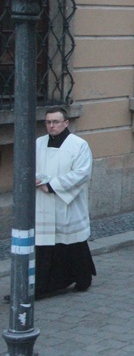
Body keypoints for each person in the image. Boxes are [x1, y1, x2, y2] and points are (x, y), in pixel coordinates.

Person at [33, 107, 96, 296]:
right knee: (45, 247)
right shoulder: (38, 143)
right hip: (44, 203)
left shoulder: (78, 145)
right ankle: (42, 285)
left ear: (66, 123)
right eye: (48, 122)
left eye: (56, 122)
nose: (51, 126)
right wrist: (37, 181)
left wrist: (52, 186)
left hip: (66, 203)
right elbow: (29, 165)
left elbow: (82, 173)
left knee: (72, 243)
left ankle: (83, 278)